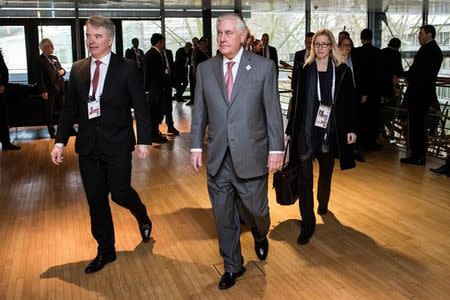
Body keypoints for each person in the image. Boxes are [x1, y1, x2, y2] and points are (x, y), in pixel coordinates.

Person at [50, 15, 153, 274]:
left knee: (119, 192)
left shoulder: (127, 67)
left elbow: (140, 106)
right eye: (88, 36)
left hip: (118, 143)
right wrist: (59, 141)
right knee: (96, 200)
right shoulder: (78, 69)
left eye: (97, 36)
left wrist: (143, 140)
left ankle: (141, 213)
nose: (91, 41)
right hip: (88, 147)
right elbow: (69, 108)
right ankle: (106, 250)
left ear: (109, 40)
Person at [190, 13, 284, 290]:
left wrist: (276, 149)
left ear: (243, 36)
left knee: (257, 210)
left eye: (228, 32)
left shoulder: (264, 67)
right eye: (219, 32)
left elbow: (272, 112)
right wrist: (196, 144)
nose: (221, 37)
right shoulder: (205, 69)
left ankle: (259, 232)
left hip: (252, 155)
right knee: (222, 216)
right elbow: (200, 112)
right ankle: (233, 265)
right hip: (218, 157)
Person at [286, 29, 357, 245]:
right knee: (305, 179)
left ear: (331, 46)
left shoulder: (343, 71)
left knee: (325, 174)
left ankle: (323, 201)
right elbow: (296, 102)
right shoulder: (305, 69)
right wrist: (289, 130)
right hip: (306, 132)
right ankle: (308, 224)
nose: (320, 47)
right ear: (312, 46)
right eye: (317, 44)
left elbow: (349, 103)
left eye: (325, 44)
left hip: (329, 133)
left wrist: (351, 129)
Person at [400, 25, 443, 165]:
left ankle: (418, 156)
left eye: (421, 33)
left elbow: (420, 71)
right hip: (421, 93)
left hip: (420, 94)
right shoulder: (431, 50)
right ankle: (417, 155)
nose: (418, 36)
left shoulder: (429, 50)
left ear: (429, 34)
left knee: (417, 126)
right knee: (416, 125)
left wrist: (405, 75)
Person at [352, 28, 382, 152]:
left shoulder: (357, 52)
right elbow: (380, 73)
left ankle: (360, 142)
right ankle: (371, 143)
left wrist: (362, 90)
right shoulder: (378, 52)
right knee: (373, 117)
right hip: (374, 91)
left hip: (360, 90)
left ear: (361, 38)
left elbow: (358, 73)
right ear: (372, 37)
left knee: (361, 117)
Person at [144, 33, 170, 143]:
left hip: (155, 88)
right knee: (154, 112)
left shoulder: (154, 53)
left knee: (156, 112)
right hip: (155, 89)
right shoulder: (152, 54)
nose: (164, 44)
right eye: (163, 42)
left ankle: (155, 133)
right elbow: (154, 74)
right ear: (158, 42)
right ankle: (153, 135)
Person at [37, 38, 66, 138]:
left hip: (60, 89)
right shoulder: (39, 60)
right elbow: (39, 78)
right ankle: (52, 132)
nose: (53, 48)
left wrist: (62, 71)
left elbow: (61, 69)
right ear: (44, 48)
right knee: (49, 112)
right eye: (51, 46)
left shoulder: (54, 57)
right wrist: (43, 91)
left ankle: (64, 130)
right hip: (49, 91)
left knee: (64, 111)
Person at [0, 50, 20, 151]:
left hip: (1, 91)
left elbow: (4, 70)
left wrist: (3, 85)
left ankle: (5, 143)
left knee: (4, 119)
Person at [292, 32, 314, 98]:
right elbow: (294, 72)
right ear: (304, 42)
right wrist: (293, 87)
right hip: (300, 87)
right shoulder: (298, 54)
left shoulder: (318, 55)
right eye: (307, 42)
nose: (309, 45)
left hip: (312, 88)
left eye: (311, 42)